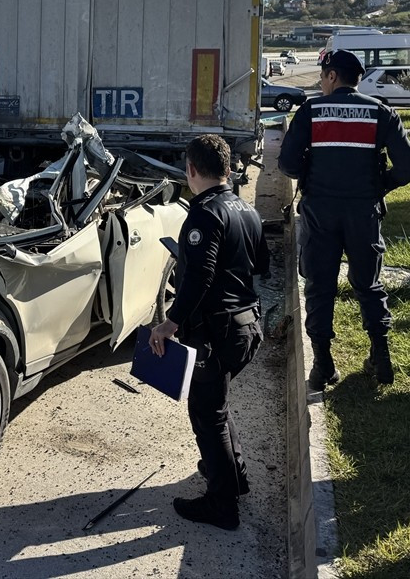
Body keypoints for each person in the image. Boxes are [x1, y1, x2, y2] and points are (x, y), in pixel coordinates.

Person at [278, 49, 410, 390]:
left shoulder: (311, 111)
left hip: (319, 213)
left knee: (319, 285)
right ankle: (381, 357)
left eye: (322, 76)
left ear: (331, 76)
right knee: (370, 285)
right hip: (363, 212)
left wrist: (311, 177)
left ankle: (323, 366)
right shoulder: (381, 112)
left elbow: (286, 163)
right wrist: (377, 187)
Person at [148, 135, 267, 530]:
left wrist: (169, 323)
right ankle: (236, 478)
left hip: (217, 332)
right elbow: (260, 262)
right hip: (248, 324)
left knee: (206, 412)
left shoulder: (203, 214)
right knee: (216, 405)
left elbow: (199, 277)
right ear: (228, 168)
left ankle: (222, 504)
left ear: (191, 170)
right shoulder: (245, 208)